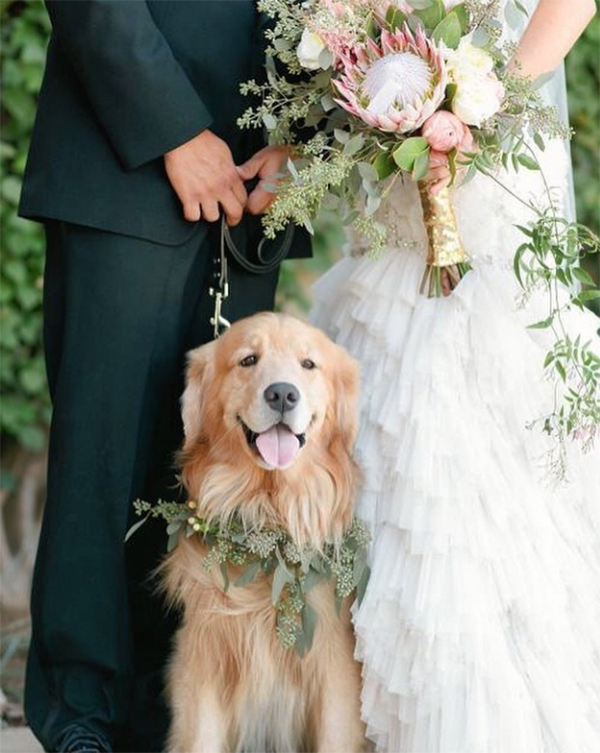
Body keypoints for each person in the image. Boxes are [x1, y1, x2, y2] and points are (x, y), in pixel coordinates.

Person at [18, 2, 310, 751]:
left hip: (254, 188)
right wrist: (173, 129)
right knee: (102, 459)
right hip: (125, 155)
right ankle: (80, 712)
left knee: (211, 467)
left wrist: (298, 137)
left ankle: (172, 715)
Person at [311, 0, 600, 750]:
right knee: (394, 408)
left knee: (484, 406)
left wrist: (487, 103)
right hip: (391, 142)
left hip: (493, 141)